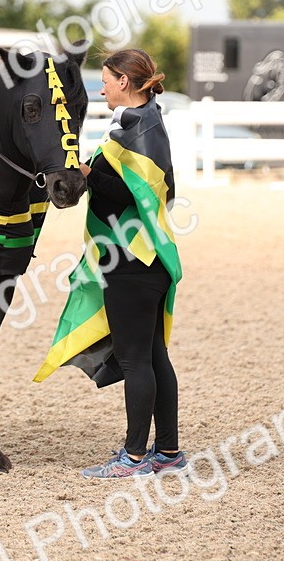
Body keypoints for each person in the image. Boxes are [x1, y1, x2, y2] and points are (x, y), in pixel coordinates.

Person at [76, 49, 187, 479]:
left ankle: (135, 457)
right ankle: (169, 453)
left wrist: (89, 177)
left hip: (132, 260)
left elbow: (134, 196)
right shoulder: (146, 123)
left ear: (123, 81)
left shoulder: (138, 129)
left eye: (105, 79)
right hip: (149, 257)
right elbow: (163, 193)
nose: (101, 87)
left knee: (136, 359)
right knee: (154, 356)